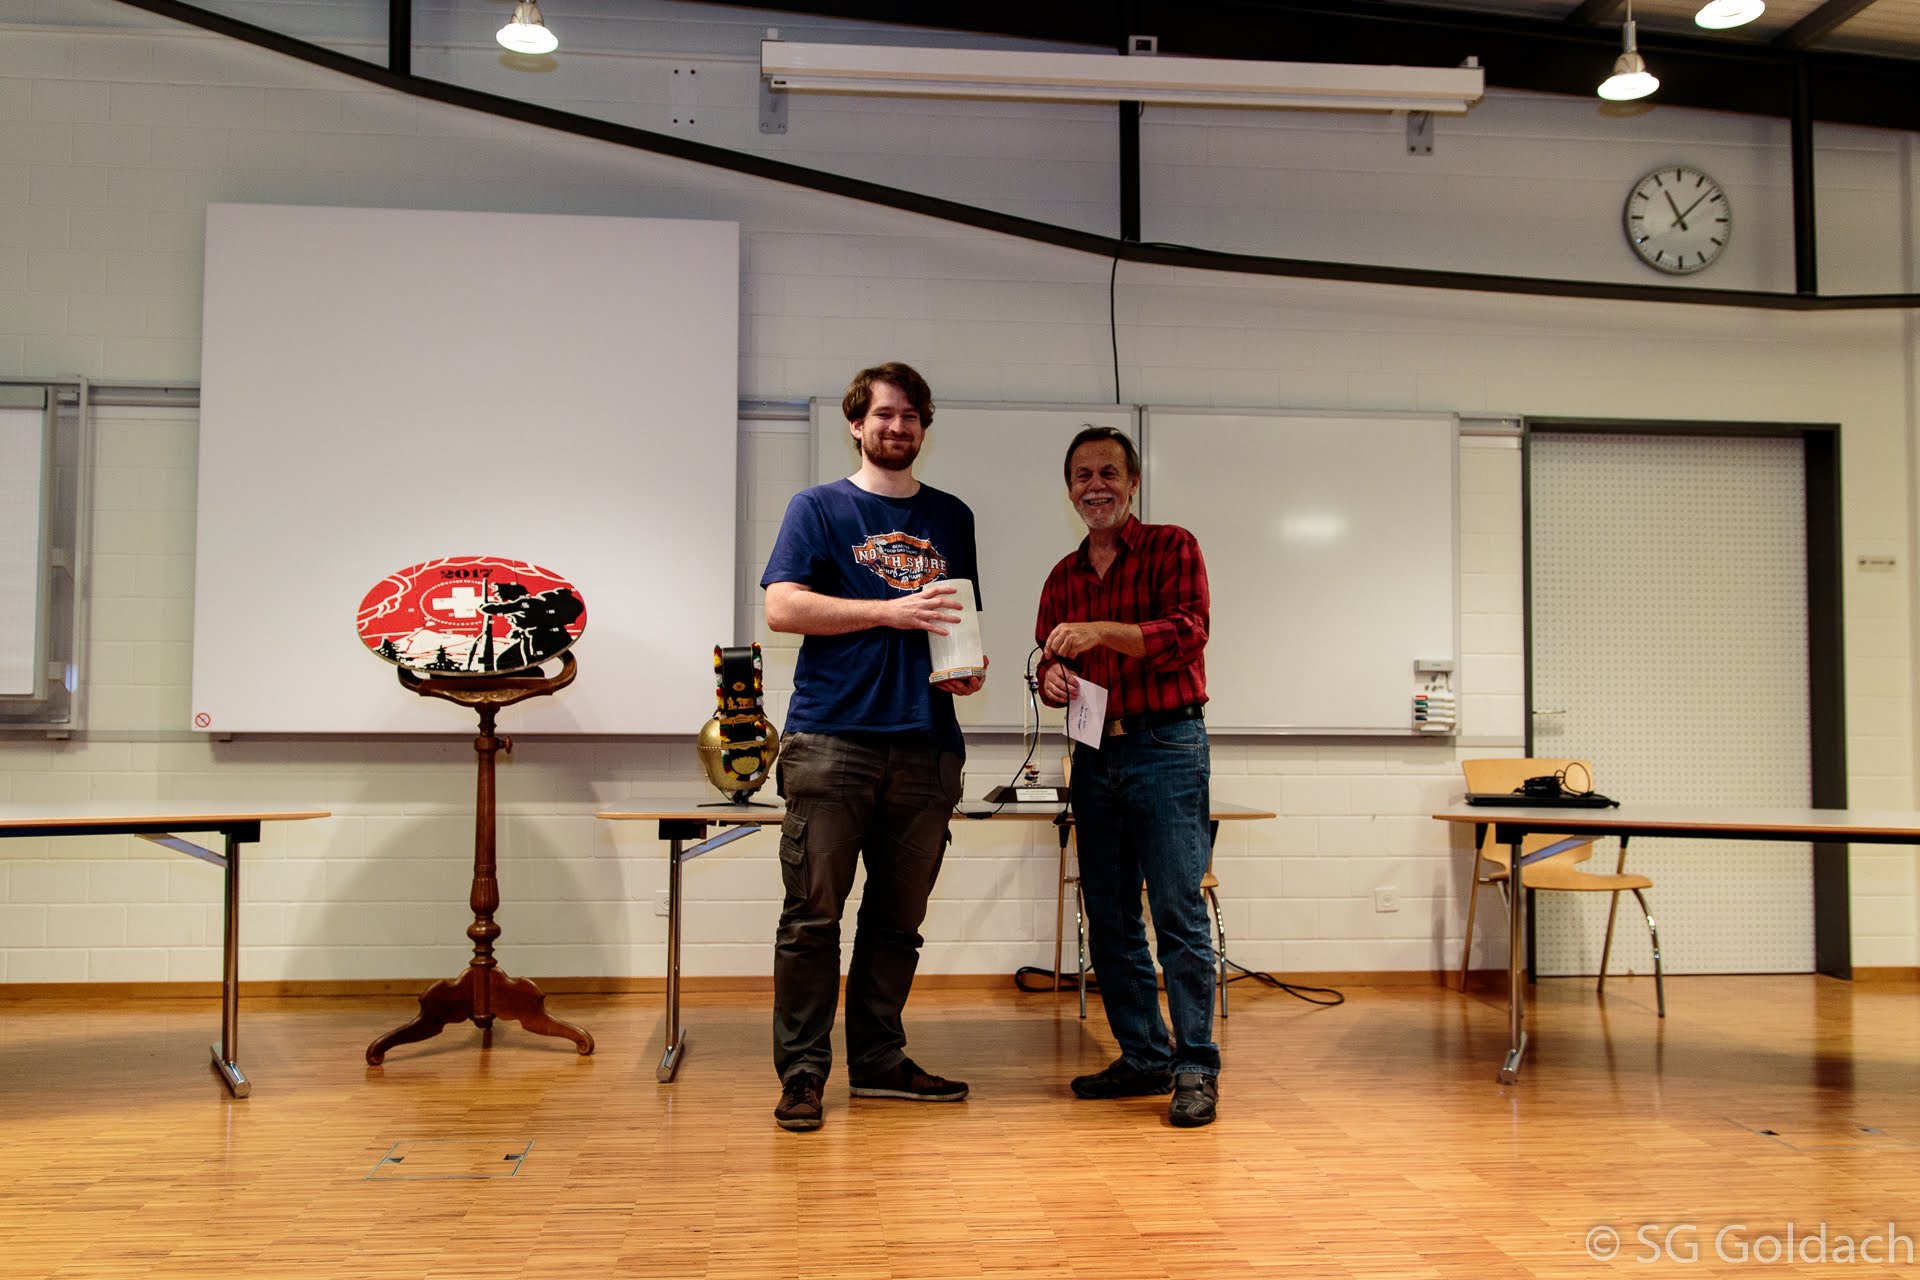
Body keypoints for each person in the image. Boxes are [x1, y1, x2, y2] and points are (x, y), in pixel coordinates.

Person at [759, 361, 987, 1132]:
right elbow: (782, 607)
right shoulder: (817, 507)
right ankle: (803, 1074)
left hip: (927, 746)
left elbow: (955, 621)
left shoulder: (952, 516)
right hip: (832, 740)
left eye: (911, 416)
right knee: (812, 920)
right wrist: (890, 613)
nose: (897, 427)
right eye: (884, 414)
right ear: (857, 423)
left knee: (896, 925)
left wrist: (965, 669)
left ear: (924, 427)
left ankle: (881, 1063)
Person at [1033, 425, 1219, 1128]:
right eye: (1082, 476)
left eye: (1109, 472)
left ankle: (1195, 1066)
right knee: (1109, 917)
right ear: (1069, 490)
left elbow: (1187, 634)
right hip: (1094, 753)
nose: (1096, 486)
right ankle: (1144, 1056)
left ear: (1133, 483)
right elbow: (1049, 658)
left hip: (1166, 744)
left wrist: (1102, 630)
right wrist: (1051, 678)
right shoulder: (1062, 577)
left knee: (1176, 911)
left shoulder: (1173, 547)